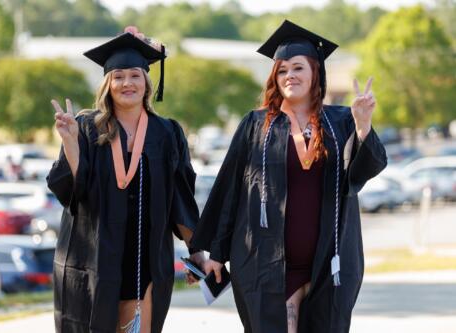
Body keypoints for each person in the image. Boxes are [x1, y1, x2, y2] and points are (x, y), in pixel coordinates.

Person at [191, 20, 387, 333]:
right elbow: (229, 191)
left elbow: (364, 171)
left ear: (315, 72)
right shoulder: (256, 125)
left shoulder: (340, 121)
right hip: (264, 264)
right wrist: (217, 252)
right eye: (282, 70)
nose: (289, 76)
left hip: (329, 260)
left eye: (298, 68)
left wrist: (363, 126)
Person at [47, 26, 203, 333]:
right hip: (94, 259)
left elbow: (181, 198)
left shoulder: (167, 133)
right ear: (108, 83)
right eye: (118, 76)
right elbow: (72, 193)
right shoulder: (86, 127)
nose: (126, 83)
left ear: (146, 81)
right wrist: (70, 145)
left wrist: (196, 252)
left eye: (134, 75)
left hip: (145, 260)